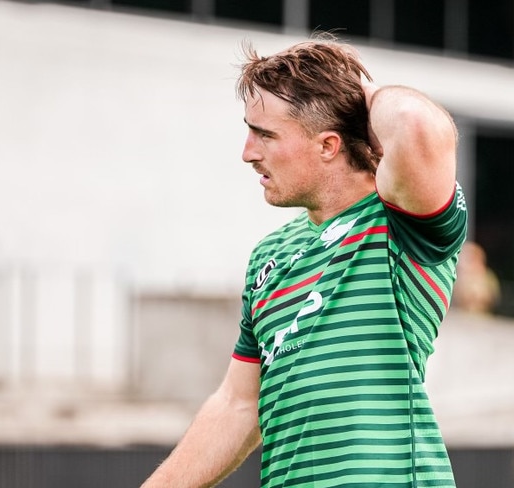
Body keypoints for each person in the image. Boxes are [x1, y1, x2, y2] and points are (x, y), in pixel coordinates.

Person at [141, 33, 467, 488]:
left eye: (266, 135)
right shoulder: (268, 256)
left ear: (328, 145)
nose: (248, 153)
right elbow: (238, 404)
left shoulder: (402, 222)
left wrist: (352, 93)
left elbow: (414, 123)